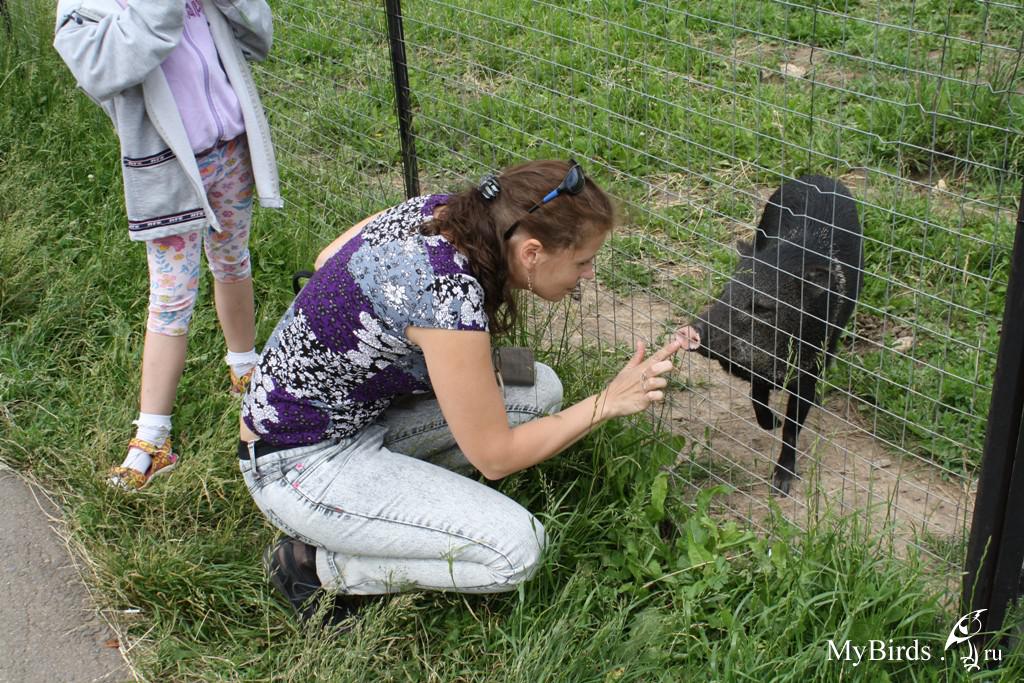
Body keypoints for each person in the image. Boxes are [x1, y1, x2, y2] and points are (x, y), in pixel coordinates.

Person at [239, 159, 682, 623]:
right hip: (295, 464)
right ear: (531, 252)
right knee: (516, 550)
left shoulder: (441, 212)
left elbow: (326, 259)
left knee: (538, 385)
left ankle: (387, 504)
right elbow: (496, 459)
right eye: (583, 261)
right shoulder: (448, 296)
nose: (588, 274)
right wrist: (606, 402)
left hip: (348, 417)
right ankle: (315, 567)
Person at [53, 0, 282, 491]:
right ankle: (153, 440)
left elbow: (258, 35)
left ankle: (245, 368)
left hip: (232, 150)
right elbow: (104, 70)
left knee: (233, 261)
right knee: (172, 297)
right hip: (169, 169)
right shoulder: (84, 8)